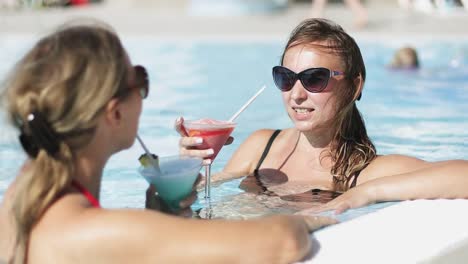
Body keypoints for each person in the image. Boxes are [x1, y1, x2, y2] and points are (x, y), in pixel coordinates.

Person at [0, 20, 336, 263]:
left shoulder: (24, 197)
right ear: (114, 113)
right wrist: (307, 218)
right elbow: (283, 244)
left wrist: (158, 218)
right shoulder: (89, 229)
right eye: (140, 81)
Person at [177, 18, 468, 214]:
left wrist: (365, 193)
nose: (296, 94)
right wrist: (189, 169)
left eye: (315, 78)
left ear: (354, 86)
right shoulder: (261, 146)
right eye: (286, 77)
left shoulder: (365, 173)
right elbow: (198, 196)